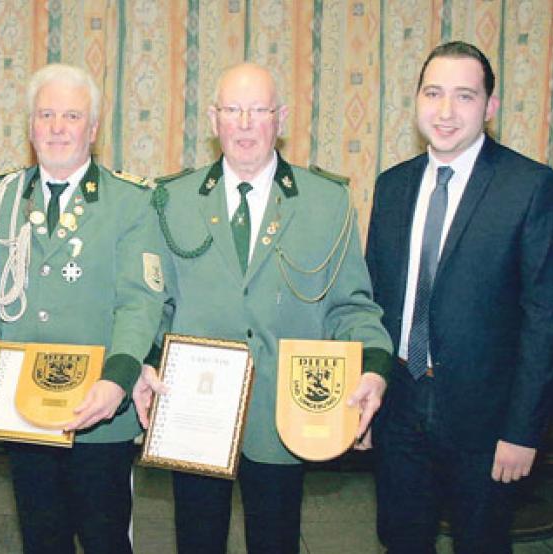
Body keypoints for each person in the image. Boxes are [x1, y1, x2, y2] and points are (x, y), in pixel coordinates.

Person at [133, 63, 393, 554]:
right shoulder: (172, 198)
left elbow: (352, 307)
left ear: (282, 118)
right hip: (194, 412)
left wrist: (375, 368)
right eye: (232, 110)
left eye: (259, 110)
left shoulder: (326, 201)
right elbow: (157, 304)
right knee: (196, 541)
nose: (245, 123)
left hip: (284, 415)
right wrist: (144, 360)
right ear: (213, 120)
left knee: (276, 542)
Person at [0, 63, 165, 554]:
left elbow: (140, 302)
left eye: (71, 116)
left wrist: (117, 379)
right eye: (46, 114)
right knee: (40, 537)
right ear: (30, 126)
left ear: (92, 129)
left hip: (100, 412)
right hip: (21, 409)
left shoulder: (130, 202)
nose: (57, 127)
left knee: (104, 538)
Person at [365, 41, 553, 554]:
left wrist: (523, 431)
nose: (446, 112)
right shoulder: (392, 186)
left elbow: (545, 321)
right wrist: (364, 399)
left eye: (465, 96)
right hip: (400, 406)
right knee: (401, 539)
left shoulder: (531, 186)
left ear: (490, 106)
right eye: (434, 93)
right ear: (418, 99)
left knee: (482, 542)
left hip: (487, 420)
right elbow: (373, 306)